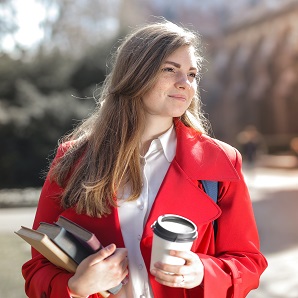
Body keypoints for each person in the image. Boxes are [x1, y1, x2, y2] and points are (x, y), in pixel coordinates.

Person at [22, 20, 267, 298]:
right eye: (169, 70)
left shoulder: (220, 161)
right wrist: (76, 287)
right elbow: (37, 269)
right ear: (135, 75)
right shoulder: (73, 159)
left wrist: (202, 270)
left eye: (192, 74)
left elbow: (248, 261)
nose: (184, 83)